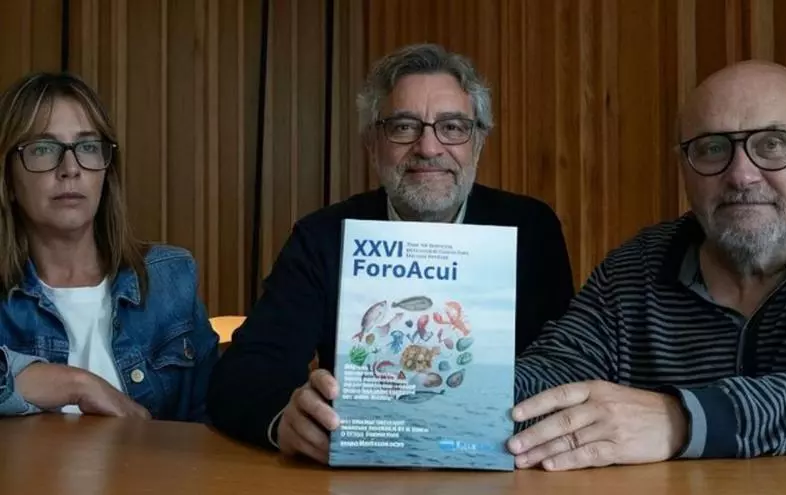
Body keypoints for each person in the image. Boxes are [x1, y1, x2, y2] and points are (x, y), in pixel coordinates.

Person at [278, 59, 786, 469]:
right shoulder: (635, 269)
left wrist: (680, 421)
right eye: (712, 148)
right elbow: (551, 375)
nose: (741, 173)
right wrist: (382, 411)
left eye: (773, 143)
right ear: (685, 168)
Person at [206, 43, 575, 451]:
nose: (429, 148)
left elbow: (564, 367)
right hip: (363, 461)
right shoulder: (322, 237)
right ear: (372, 142)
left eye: (453, 127)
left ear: (479, 142)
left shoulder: (531, 229)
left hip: (502, 461)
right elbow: (243, 375)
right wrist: (285, 422)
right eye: (403, 126)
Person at [0, 72, 218, 421]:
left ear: (107, 172)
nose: (70, 168)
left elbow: (215, 418)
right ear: (8, 179)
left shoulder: (169, 279)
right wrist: (77, 384)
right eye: (43, 149)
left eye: (87, 147)